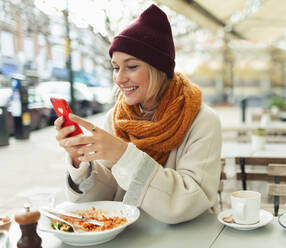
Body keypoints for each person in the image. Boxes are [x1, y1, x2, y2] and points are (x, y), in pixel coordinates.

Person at [54, 4, 222, 224]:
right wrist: (81, 161)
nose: (120, 78)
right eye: (116, 67)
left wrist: (123, 155)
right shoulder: (115, 119)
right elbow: (106, 199)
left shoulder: (203, 121)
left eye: (131, 66)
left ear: (160, 69)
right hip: (131, 237)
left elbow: (189, 202)